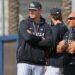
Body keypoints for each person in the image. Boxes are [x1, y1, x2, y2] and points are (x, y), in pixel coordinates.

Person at [16, 1, 52, 75]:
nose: (31, 12)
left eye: (33, 10)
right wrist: (41, 38)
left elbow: (48, 43)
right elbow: (27, 38)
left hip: (39, 63)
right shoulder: (24, 23)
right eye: (30, 10)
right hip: (24, 62)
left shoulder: (47, 26)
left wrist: (32, 36)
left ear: (40, 11)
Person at [45, 8, 68, 75]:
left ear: (51, 16)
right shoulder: (65, 28)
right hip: (62, 62)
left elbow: (51, 45)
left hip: (53, 63)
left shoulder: (54, 29)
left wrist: (45, 58)